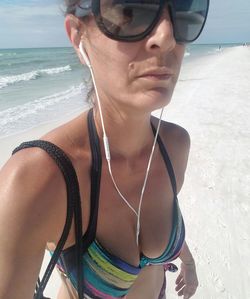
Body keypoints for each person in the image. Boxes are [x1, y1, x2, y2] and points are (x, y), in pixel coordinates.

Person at [0, 0, 209, 298]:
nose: (166, 37)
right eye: (131, 12)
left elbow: (156, 213)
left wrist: (187, 260)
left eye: (183, 14)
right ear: (77, 36)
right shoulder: (37, 179)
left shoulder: (174, 147)